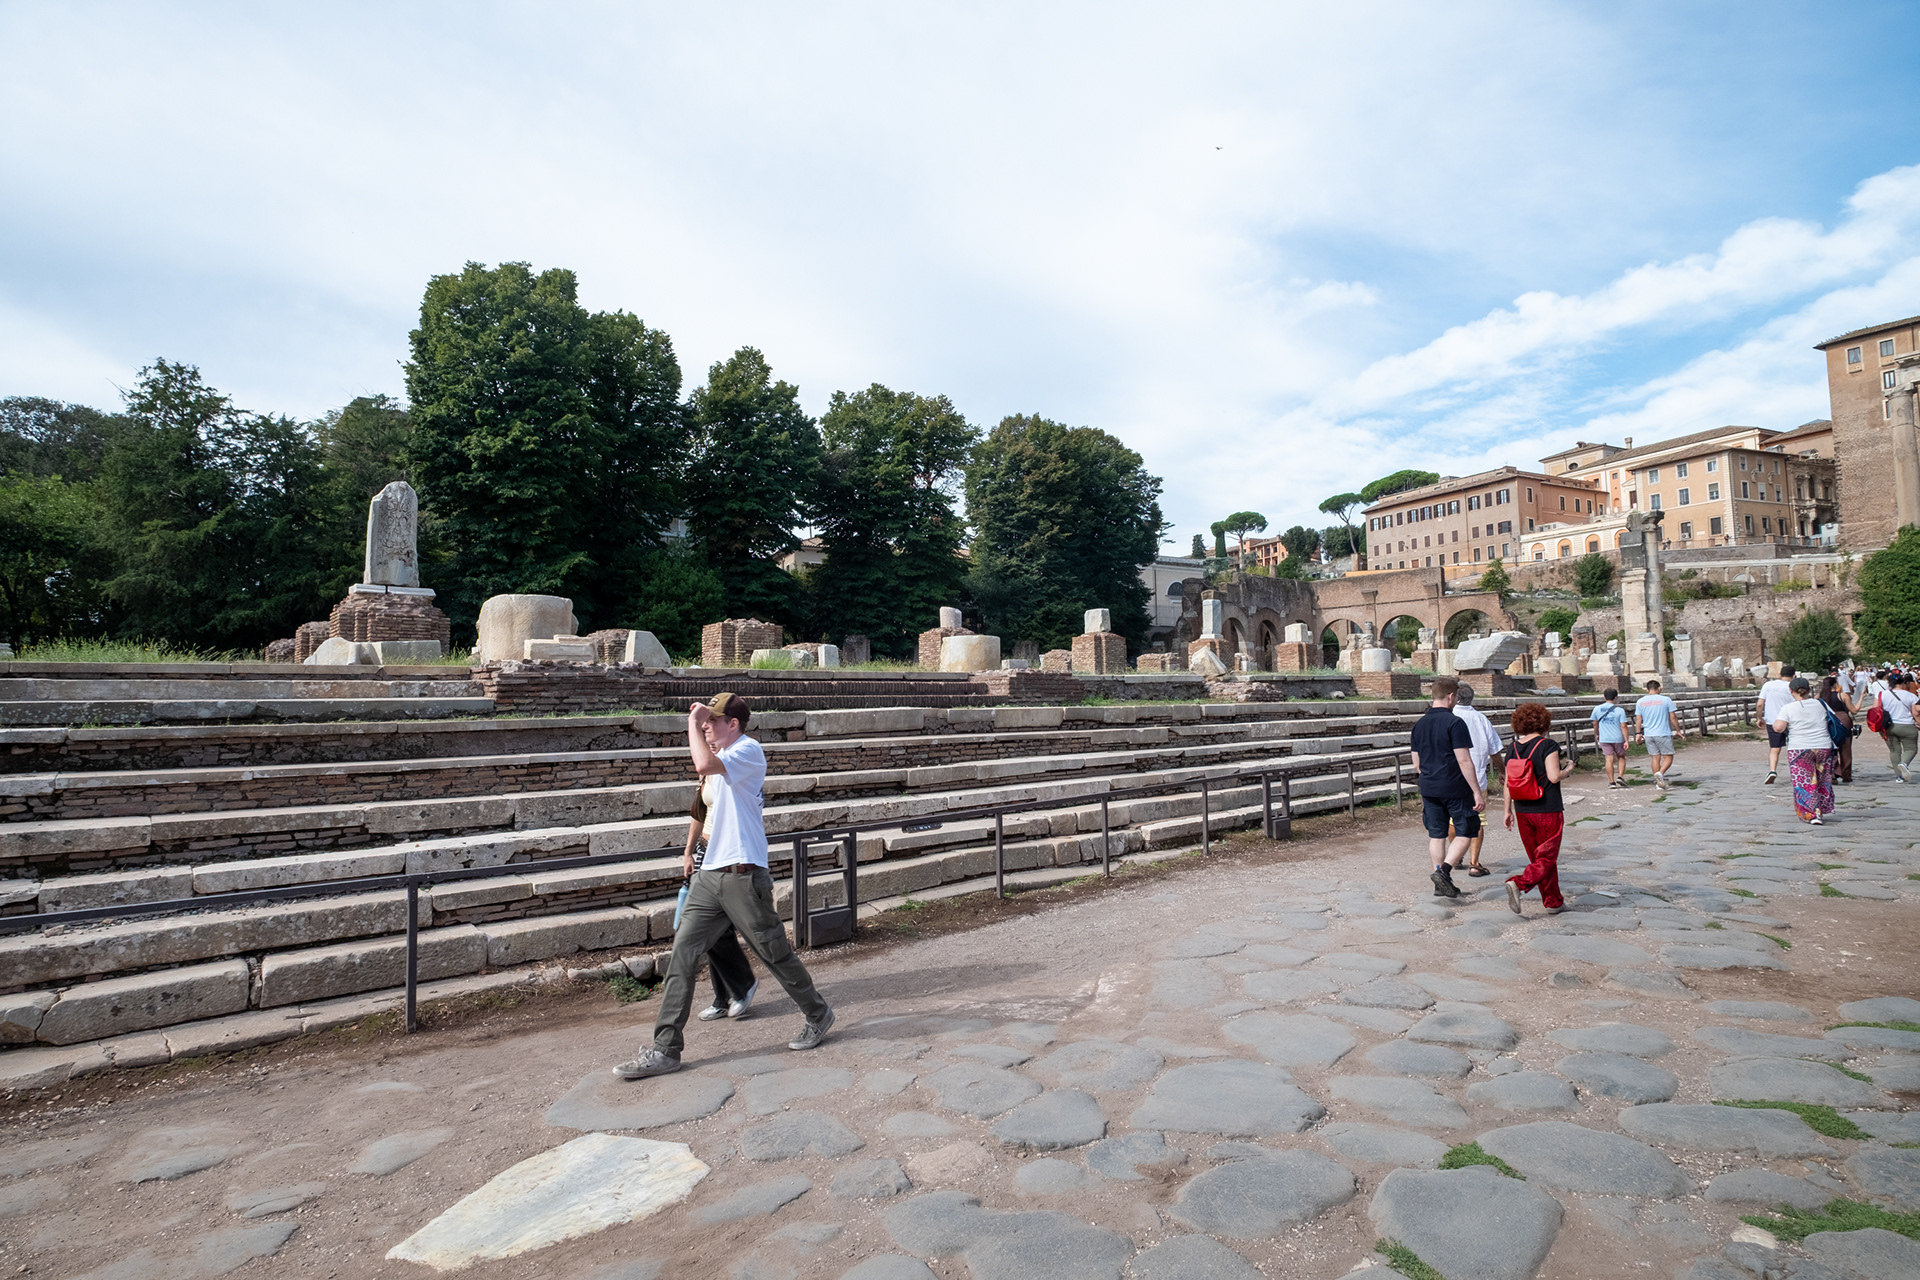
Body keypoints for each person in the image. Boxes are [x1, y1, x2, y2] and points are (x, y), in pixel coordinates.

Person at [613, 693, 834, 1080]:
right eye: (703, 724)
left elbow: (702, 759)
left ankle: (818, 1013)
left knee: (774, 953)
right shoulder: (718, 764)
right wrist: (689, 852)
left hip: (744, 874)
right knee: (681, 953)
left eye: (712, 722)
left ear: (733, 723)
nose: (705, 727)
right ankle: (666, 1049)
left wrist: (690, 721)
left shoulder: (749, 751)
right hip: (710, 873)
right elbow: (702, 808)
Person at [682, 789, 759, 1021]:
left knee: (715, 927)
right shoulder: (706, 777)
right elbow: (699, 813)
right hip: (706, 853)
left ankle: (743, 984)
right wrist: (688, 852)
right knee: (711, 928)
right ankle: (724, 997)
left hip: (728, 855)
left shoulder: (733, 768)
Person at [1409, 676, 1486, 899]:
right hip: (1454, 786)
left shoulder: (1419, 724)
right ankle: (1443, 872)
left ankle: (1439, 878)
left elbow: (1416, 763)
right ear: (1451, 696)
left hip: (1429, 786)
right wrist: (1476, 791)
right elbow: (1464, 760)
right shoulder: (1455, 723)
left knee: (1437, 834)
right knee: (1466, 831)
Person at [1502, 701, 1567, 916]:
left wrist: (1507, 810)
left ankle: (1553, 902)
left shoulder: (1512, 747)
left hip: (1523, 810)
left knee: (1538, 859)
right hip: (1547, 808)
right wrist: (1568, 770)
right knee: (1547, 858)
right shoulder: (1547, 746)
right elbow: (1553, 776)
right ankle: (1519, 883)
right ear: (1544, 722)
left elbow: (1508, 782)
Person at [1451, 684, 1503, 877]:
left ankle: (1455, 857)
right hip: (1477, 778)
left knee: (1452, 819)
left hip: (1452, 779)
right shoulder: (1480, 719)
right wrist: (1502, 770)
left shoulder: (1449, 717)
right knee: (1477, 819)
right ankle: (1474, 863)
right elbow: (1495, 750)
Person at [1773, 677, 1835, 825]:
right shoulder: (1820, 704)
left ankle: (1812, 814)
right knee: (1823, 779)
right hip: (1823, 746)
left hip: (1800, 748)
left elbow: (1778, 728)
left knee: (1804, 782)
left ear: (1791, 691)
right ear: (1808, 690)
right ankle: (1822, 808)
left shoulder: (1788, 708)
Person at [1633, 679, 1679, 790]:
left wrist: (1638, 733)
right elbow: (1673, 716)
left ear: (1647, 689)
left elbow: (1638, 719)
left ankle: (1658, 783)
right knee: (1668, 757)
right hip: (1663, 732)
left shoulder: (1640, 702)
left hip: (1648, 733)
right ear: (1659, 688)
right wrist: (1678, 729)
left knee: (1655, 757)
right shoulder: (1666, 700)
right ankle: (1660, 774)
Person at [1877, 672, 1920, 783]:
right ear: (1903, 683)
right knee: (1911, 749)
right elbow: (1915, 712)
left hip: (1889, 726)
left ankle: (1899, 776)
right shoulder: (1911, 696)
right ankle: (1904, 763)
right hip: (1907, 726)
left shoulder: (1882, 694)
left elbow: (1875, 710)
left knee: (1894, 751)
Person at [1757, 665, 1797, 784]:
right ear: (1794, 676)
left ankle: (1772, 770)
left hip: (1772, 721)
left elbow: (1760, 703)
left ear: (1779, 674)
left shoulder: (1768, 685)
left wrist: (1759, 717)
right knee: (1794, 747)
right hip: (1790, 721)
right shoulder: (1793, 687)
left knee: (1775, 748)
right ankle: (1796, 771)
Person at [1589, 688, 1630, 788]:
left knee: (1608, 759)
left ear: (1604, 697)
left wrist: (1597, 734)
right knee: (1621, 757)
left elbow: (1595, 723)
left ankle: (1611, 781)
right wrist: (1627, 740)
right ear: (1616, 697)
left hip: (1604, 737)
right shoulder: (1620, 710)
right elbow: (1623, 726)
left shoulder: (1597, 709)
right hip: (1618, 737)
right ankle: (1620, 776)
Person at [1819, 675, 1856, 786]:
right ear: (1835, 684)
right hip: (1843, 721)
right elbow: (1854, 710)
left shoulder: (1819, 697)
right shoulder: (1842, 695)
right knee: (1846, 748)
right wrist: (1861, 699)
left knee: (1830, 748)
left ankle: (1833, 773)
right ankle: (1846, 774)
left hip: (1827, 722)